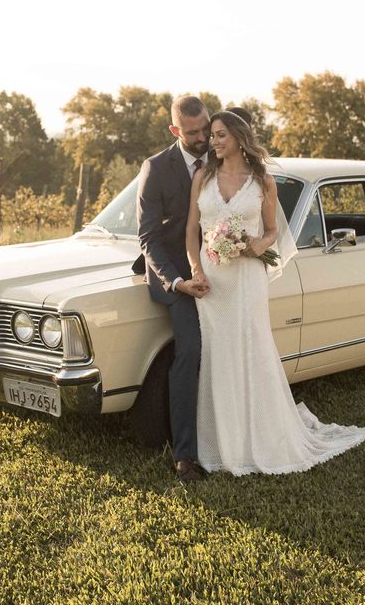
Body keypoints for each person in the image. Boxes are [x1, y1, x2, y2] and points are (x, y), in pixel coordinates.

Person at [186, 111, 365, 475]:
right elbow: (191, 232)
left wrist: (254, 246)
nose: (212, 142)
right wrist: (196, 269)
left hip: (247, 277)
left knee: (251, 348)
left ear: (237, 136)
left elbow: (271, 232)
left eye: (218, 135)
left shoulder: (262, 180)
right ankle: (222, 444)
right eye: (212, 136)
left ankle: (258, 440)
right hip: (211, 281)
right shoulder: (203, 176)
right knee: (218, 353)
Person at [133, 95, 212, 483]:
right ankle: (185, 456)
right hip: (178, 279)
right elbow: (148, 237)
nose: (203, 138)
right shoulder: (156, 168)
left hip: (220, 271)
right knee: (191, 351)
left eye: (205, 129)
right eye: (193, 132)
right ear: (175, 130)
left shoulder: (222, 155)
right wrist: (178, 281)